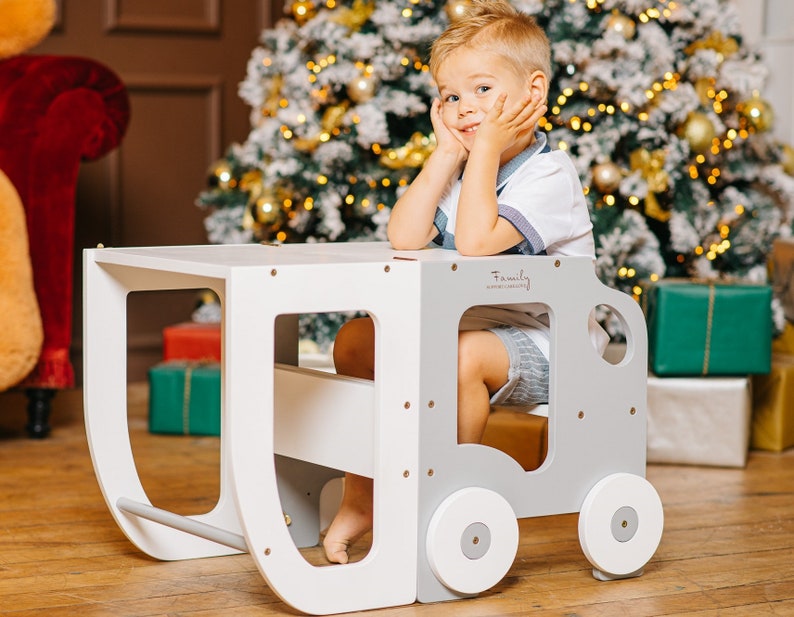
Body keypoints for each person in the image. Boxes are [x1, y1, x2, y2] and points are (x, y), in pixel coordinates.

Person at [322, 0, 606, 564]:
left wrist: (483, 154)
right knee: (357, 340)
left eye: (481, 90)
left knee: (461, 357)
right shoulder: (462, 165)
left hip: (560, 346)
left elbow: (476, 240)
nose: (463, 109)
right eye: (450, 96)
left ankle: (440, 497)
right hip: (475, 332)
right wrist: (447, 152)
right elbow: (404, 234)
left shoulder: (547, 175)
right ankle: (365, 493)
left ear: (533, 92)